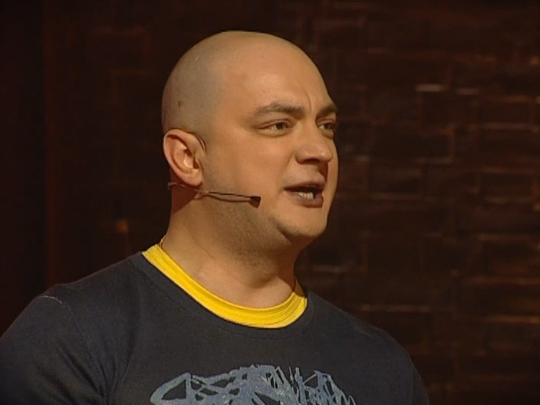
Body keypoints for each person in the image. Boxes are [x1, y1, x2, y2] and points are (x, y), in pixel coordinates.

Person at [0, 31, 429, 404]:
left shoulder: (381, 367)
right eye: (279, 125)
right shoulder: (72, 340)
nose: (319, 150)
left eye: (327, 126)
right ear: (188, 158)